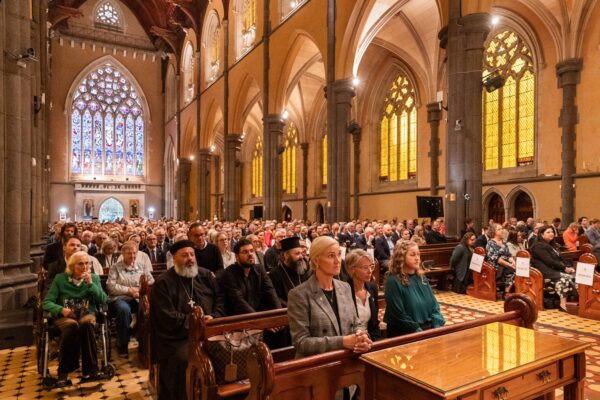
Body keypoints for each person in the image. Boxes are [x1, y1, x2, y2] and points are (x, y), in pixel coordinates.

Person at [150, 240, 226, 400]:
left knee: (229, 353)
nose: (190, 259)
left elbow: (220, 299)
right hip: (177, 338)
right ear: (174, 258)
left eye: (192, 254)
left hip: (210, 331)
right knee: (183, 361)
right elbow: (166, 317)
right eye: (185, 255)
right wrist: (195, 324)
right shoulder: (163, 282)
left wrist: (214, 316)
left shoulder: (205, 275)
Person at [287, 235, 372, 360]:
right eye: (331, 256)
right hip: (316, 365)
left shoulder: (345, 288)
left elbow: (356, 323)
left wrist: (361, 337)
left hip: (346, 360)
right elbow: (301, 342)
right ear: (316, 261)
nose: (338, 261)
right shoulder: (299, 294)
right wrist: (342, 341)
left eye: (338, 254)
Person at [42, 251, 108, 387]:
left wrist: (90, 284)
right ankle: (63, 374)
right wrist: (62, 310)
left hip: (86, 315)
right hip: (66, 317)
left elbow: (103, 299)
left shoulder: (94, 278)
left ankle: (91, 372)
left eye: (87, 263)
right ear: (71, 266)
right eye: (80, 264)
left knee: (85, 323)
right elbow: (47, 302)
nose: (84, 267)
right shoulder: (60, 279)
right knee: (72, 325)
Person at [383, 240, 445, 336]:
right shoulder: (393, 281)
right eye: (412, 255)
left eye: (418, 254)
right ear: (401, 257)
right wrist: (418, 331)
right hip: (406, 332)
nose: (417, 258)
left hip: (427, 328)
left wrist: (437, 325)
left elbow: (434, 305)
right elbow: (399, 315)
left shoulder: (421, 277)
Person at [106, 241, 154, 357]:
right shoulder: (115, 267)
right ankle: (122, 344)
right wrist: (129, 290)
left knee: (150, 309)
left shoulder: (141, 266)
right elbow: (110, 286)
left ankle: (145, 342)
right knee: (124, 310)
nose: (132, 256)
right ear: (122, 253)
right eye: (129, 253)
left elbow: (151, 280)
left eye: (134, 253)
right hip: (119, 298)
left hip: (138, 298)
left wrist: (140, 290)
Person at [218, 238, 281, 315]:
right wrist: (260, 320)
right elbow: (238, 301)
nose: (250, 254)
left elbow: (270, 292)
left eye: (251, 251)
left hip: (261, 314)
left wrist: (279, 314)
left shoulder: (259, 269)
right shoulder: (229, 274)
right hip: (241, 318)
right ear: (237, 256)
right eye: (245, 252)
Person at [530, 226, 577, 312]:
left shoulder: (552, 245)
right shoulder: (538, 246)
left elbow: (562, 258)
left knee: (575, 276)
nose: (551, 234)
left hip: (555, 269)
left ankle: (571, 303)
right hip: (545, 271)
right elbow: (549, 261)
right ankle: (564, 304)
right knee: (566, 278)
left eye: (552, 232)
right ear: (541, 234)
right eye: (548, 232)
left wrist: (568, 267)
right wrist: (565, 268)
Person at [345, 249, 380, 340]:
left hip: (370, 339)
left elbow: (375, 322)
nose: (370, 271)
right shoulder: (344, 290)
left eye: (371, 266)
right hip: (351, 340)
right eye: (365, 267)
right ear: (352, 269)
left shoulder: (372, 288)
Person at [269, 237, 312, 307]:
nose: (301, 257)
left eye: (301, 253)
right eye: (297, 254)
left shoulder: (305, 269)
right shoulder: (275, 273)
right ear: (285, 255)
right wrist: (293, 307)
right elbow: (276, 297)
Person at [485, 224, 516, 290]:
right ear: (493, 231)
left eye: (502, 229)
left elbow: (508, 255)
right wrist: (509, 265)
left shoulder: (504, 242)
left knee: (520, 269)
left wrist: (513, 261)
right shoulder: (491, 243)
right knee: (514, 271)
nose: (502, 231)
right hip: (496, 266)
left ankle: (511, 290)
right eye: (499, 229)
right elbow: (495, 258)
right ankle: (507, 291)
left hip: (505, 264)